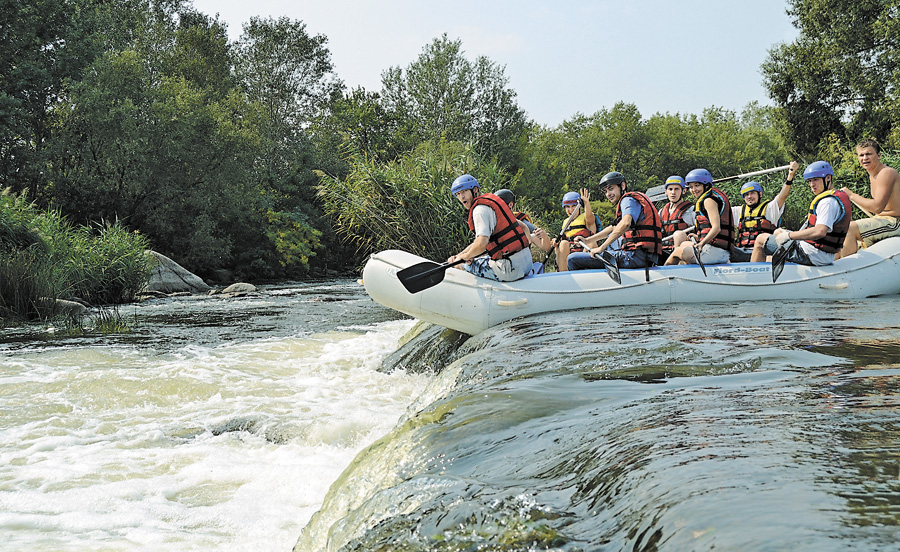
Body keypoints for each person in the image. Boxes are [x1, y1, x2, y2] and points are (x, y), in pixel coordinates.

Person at [751, 161, 850, 266]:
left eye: (816, 180)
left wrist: (789, 236)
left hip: (813, 254)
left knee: (760, 240)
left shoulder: (827, 202)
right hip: (821, 253)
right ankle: (780, 272)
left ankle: (755, 277)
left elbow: (820, 231)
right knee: (777, 232)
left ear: (828, 178)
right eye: (810, 181)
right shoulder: (834, 196)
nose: (812, 184)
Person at [567, 171, 662, 271]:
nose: (608, 194)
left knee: (573, 259)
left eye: (611, 189)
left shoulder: (627, 200)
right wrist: (587, 240)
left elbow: (625, 223)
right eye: (605, 191)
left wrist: (601, 248)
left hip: (634, 257)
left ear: (623, 185)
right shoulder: (631, 201)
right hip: (641, 257)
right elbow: (613, 228)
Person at [447, 174, 533, 281]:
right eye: (458, 194)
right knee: (480, 258)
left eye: (464, 191)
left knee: (462, 265)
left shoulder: (479, 210)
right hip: (527, 262)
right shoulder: (494, 202)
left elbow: (481, 244)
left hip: (510, 270)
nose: (461, 197)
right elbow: (523, 227)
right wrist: (460, 255)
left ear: (475, 190)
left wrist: (465, 257)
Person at [838, 139, 900, 257]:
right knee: (840, 228)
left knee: (850, 228)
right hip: (883, 219)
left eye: (868, 154)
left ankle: (848, 272)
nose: (864, 158)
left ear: (878, 155)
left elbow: (877, 207)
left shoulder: (886, 173)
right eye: (861, 155)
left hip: (895, 222)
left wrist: (851, 195)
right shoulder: (873, 175)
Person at [732, 161, 800, 262]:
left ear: (760, 194)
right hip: (742, 251)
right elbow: (717, 210)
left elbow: (783, 196)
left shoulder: (769, 209)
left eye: (752, 193)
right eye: (746, 195)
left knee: (769, 257)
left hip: (762, 252)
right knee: (726, 252)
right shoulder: (738, 211)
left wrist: (790, 175)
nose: (749, 197)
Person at [664, 168, 733, 266]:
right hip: (718, 251)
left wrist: (701, 243)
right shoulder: (710, 197)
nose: (693, 190)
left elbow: (716, 228)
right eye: (691, 187)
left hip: (715, 252)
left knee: (677, 252)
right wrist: (699, 237)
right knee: (683, 244)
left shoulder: (708, 201)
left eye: (697, 185)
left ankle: (666, 277)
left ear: (706, 185)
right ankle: (686, 275)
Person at [553, 188, 599, 272]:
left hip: (584, 251)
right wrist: (556, 244)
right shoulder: (565, 222)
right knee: (563, 243)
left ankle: (586, 272)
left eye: (574, 206)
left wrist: (586, 203)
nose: (571, 210)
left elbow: (590, 219)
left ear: (579, 206)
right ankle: (563, 275)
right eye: (567, 207)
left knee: (592, 243)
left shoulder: (587, 217)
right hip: (570, 253)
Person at [495, 188, 551, 252]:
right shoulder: (492, 222)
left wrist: (544, 236)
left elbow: (546, 247)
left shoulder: (523, 223)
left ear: (510, 205)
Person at [658, 175, 695, 260]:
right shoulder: (661, 212)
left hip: (683, 249)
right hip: (664, 250)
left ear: (684, 191)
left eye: (677, 189)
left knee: (679, 234)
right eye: (670, 189)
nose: (673, 192)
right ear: (666, 192)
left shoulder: (691, 210)